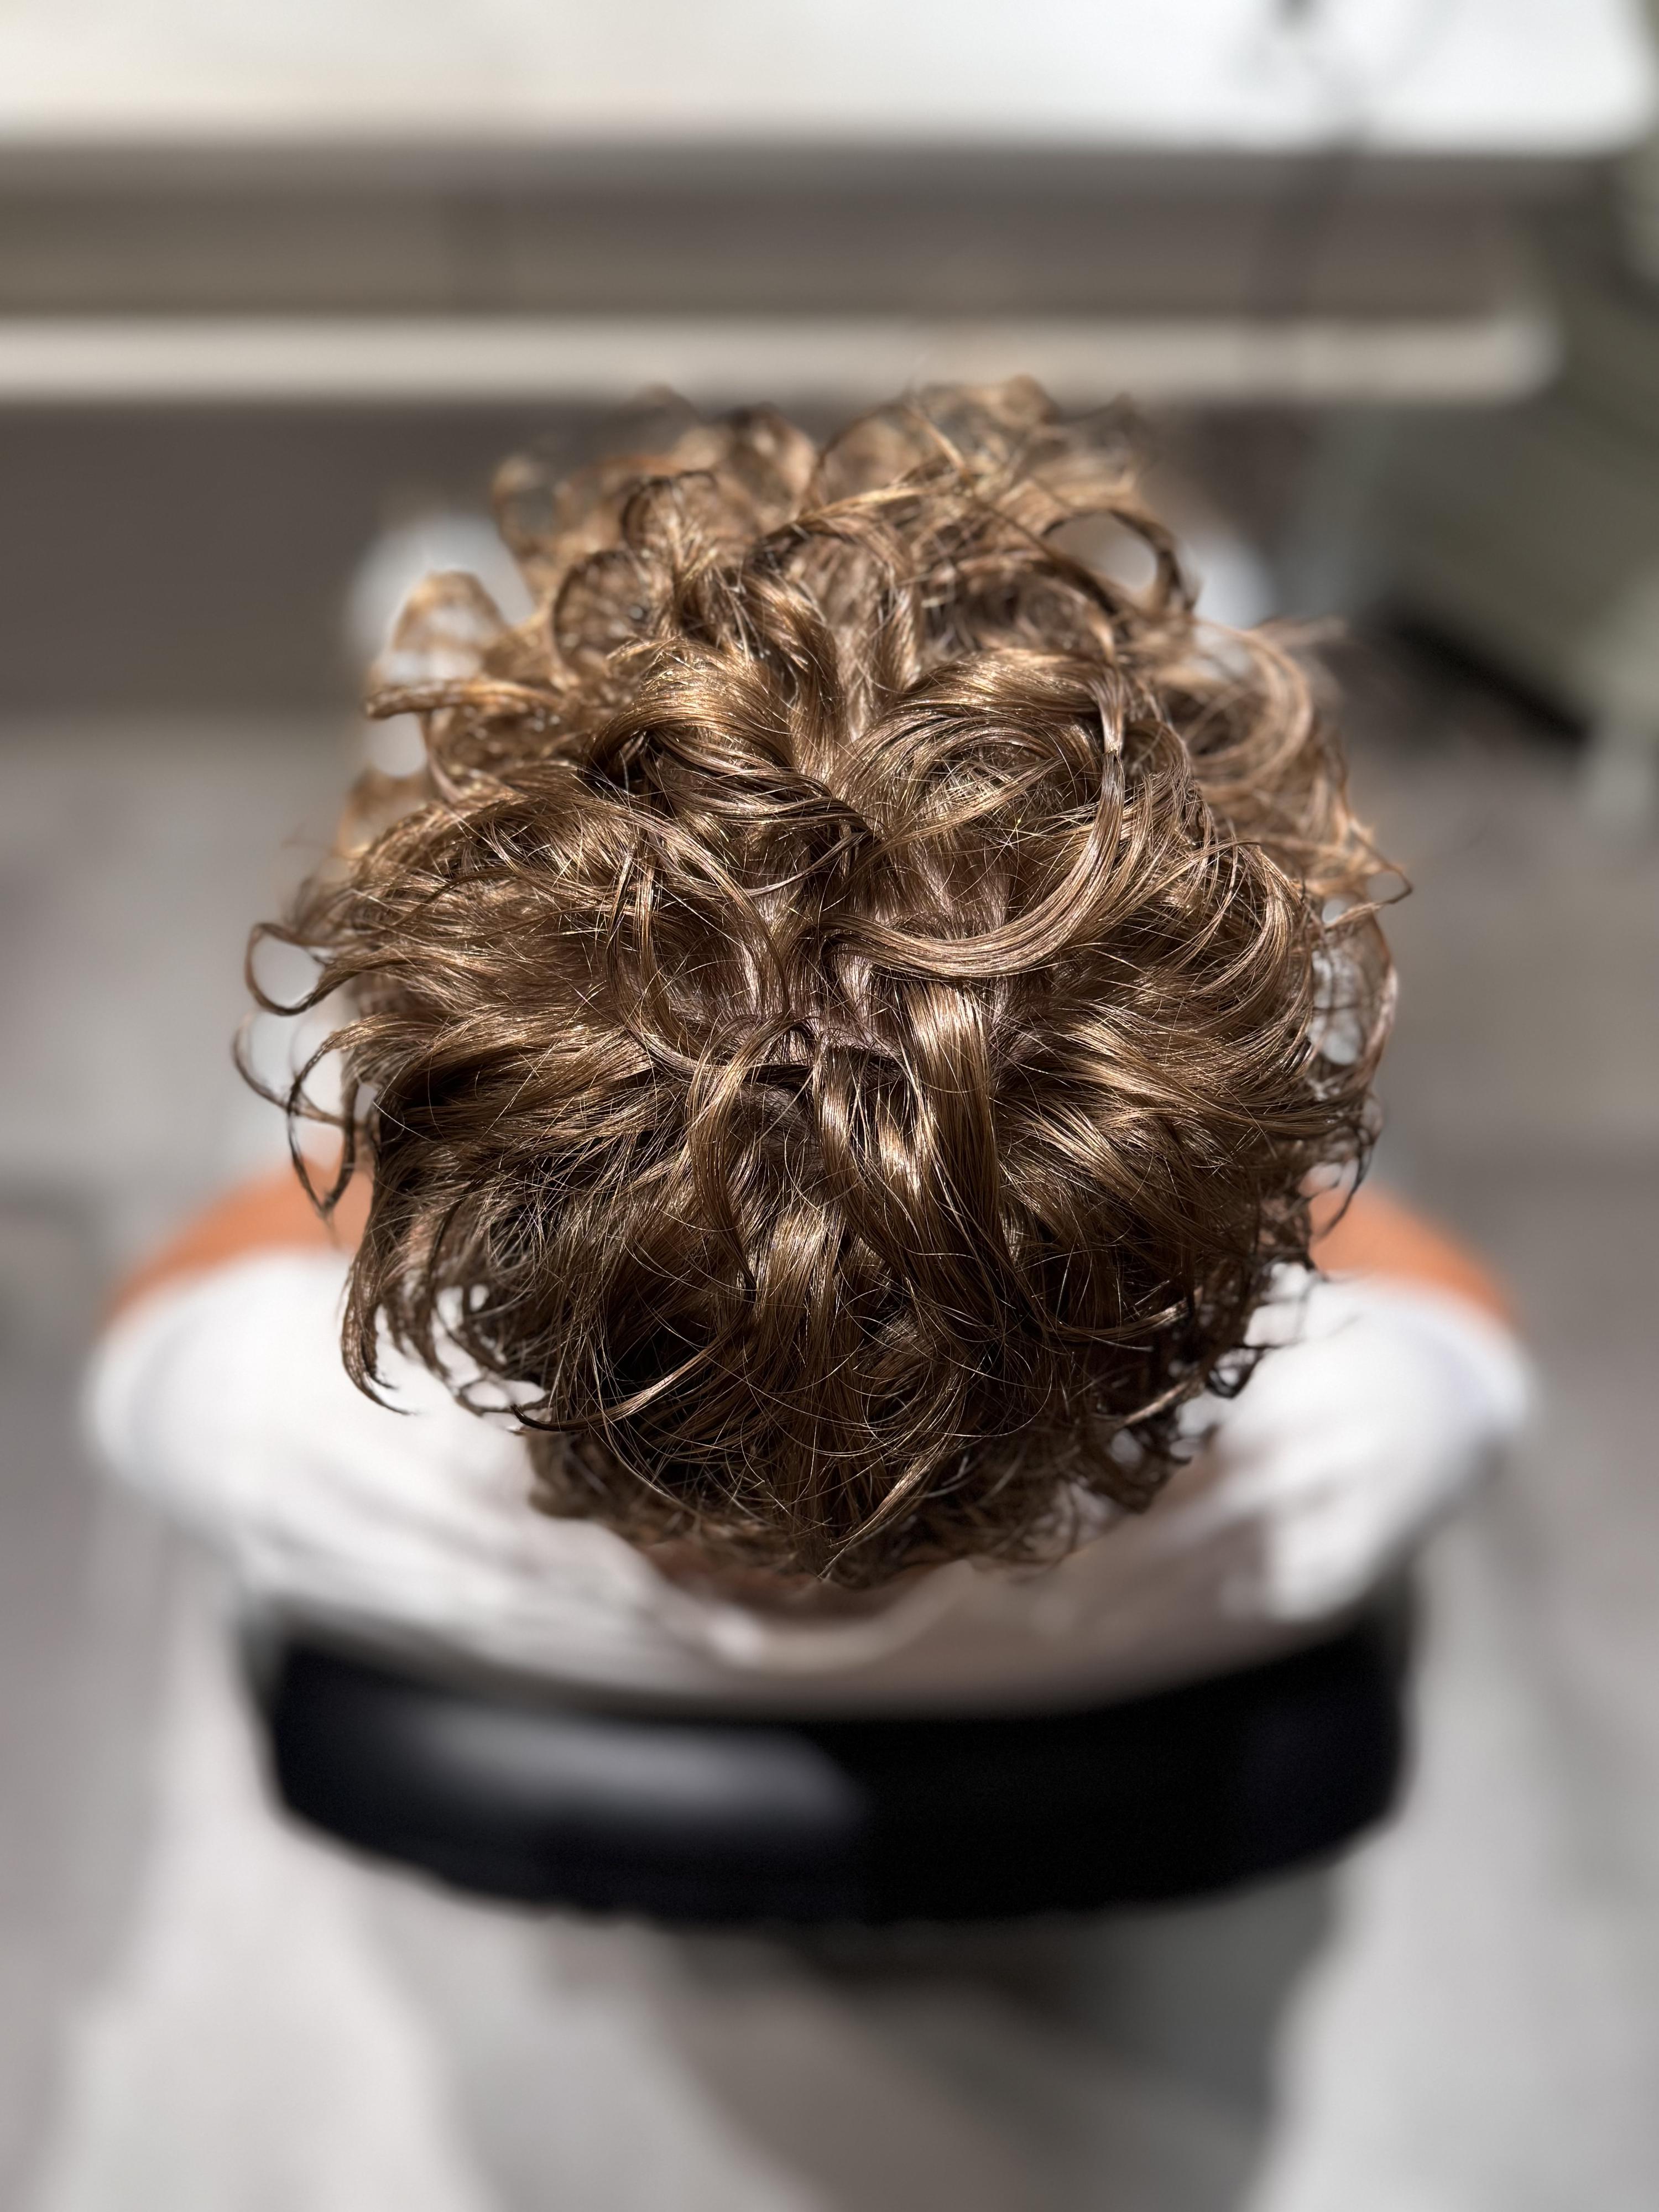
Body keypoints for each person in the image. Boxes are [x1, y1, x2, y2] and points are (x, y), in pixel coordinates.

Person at [88, 382, 1527, 1713]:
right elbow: (1439, 1301)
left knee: (391, 834)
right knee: (1268, 881)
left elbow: (201, 1273)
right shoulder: (1339, 1479)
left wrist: (466, 1112)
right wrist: (1204, 1134)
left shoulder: (257, 1432)